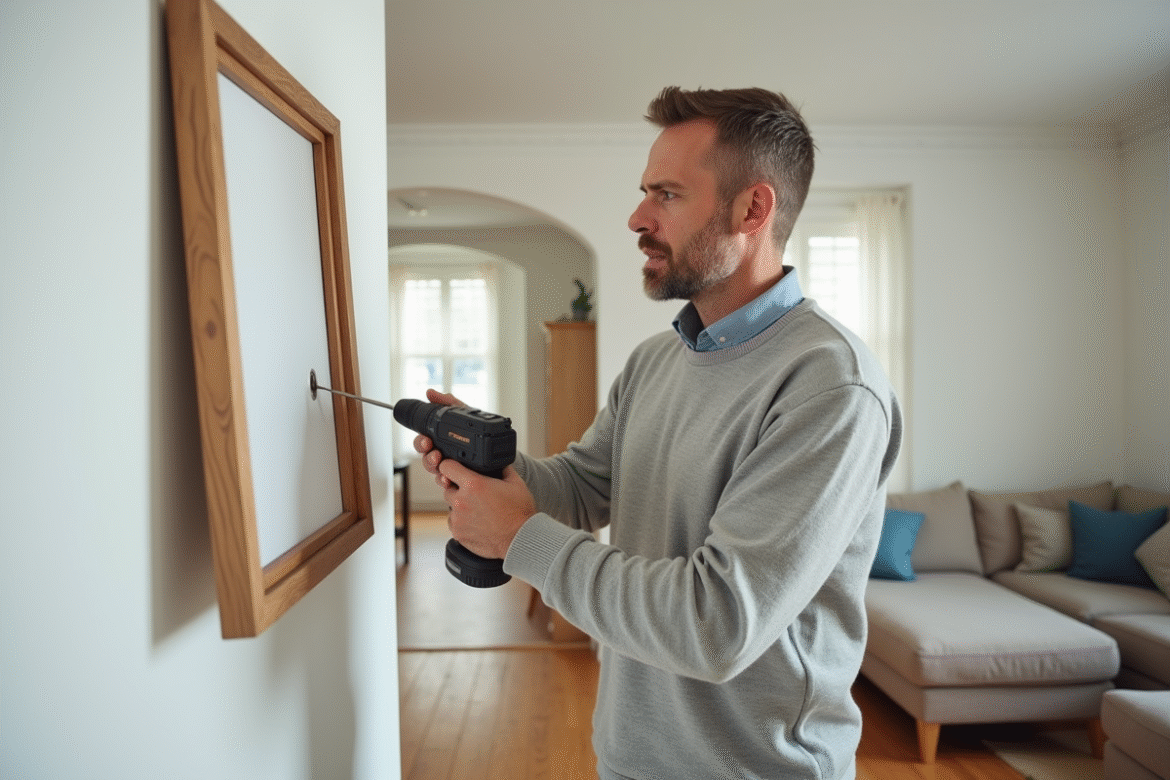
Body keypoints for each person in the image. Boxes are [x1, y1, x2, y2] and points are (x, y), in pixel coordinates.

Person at [415, 86, 902, 780]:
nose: (637, 217)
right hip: (630, 759)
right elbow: (582, 487)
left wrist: (520, 538)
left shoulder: (831, 386)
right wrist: (494, 467)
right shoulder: (656, 360)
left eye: (667, 195)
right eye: (646, 192)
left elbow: (718, 623)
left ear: (752, 209)